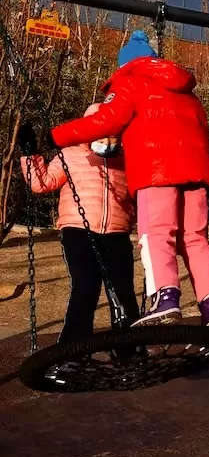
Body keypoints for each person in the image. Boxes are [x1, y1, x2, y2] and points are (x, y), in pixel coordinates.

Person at [45, 30, 209, 328]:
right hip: (197, 173)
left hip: (157, 171)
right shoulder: (188, 92)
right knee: (195, 238)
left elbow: (105, 120)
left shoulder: (130, 81)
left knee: (156, 233)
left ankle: (165, 296)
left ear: (126, 65)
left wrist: (56, 136)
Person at [18, 103, 140, 343]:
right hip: (78, 231)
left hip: (117, 232)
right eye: (101, 133)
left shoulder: (127, 158)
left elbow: (140, 194)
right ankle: (73, 348)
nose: (107, 140)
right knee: (86, 286)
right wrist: (30, 153)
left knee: (122, 291)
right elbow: (41, 183)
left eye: (113, 134)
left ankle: (129, 348)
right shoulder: (71, 154)